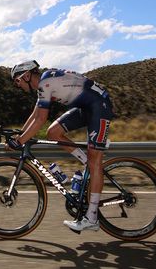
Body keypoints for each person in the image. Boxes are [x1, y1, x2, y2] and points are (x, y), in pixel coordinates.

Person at [7, 60, 115, 232]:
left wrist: (19, 142)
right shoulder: (44, 84)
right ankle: (87, 161)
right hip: (86, 107)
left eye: (17, 81)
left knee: (96, 163)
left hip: (99, 106)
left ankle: (92, 218)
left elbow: (40, 120)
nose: (17, 85)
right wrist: (20, 135)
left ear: (26, 76)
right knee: (53, 132)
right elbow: (35, 115)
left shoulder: (45, 83)